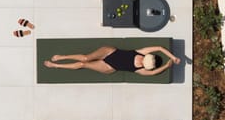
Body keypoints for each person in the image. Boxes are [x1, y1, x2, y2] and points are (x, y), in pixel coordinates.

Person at [43, 46, 180, 76]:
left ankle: (55, 65)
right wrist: (173, 57)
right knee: (86, 57)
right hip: (110, 52)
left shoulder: (141, 70)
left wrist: (167, 66)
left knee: (83, 64)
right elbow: (159, 48)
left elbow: (154, 73)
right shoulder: (142, 52)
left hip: (109, 66)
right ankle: (62, 57)